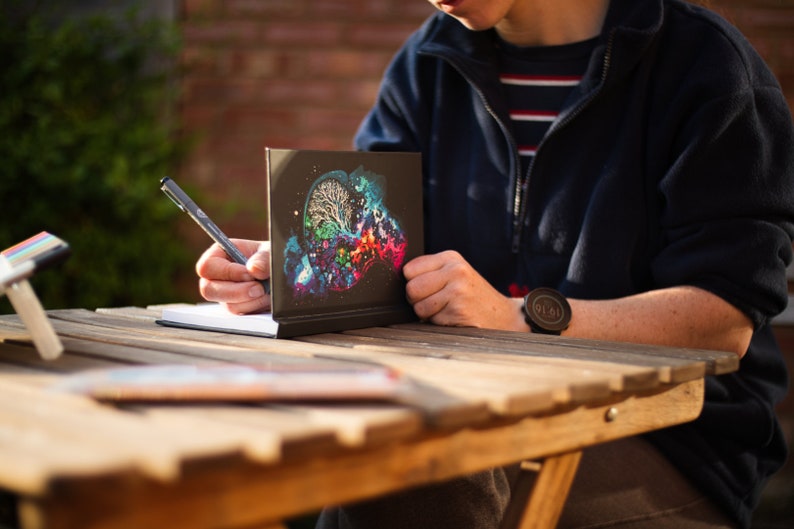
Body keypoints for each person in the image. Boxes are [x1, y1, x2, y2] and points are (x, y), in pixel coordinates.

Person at [195, 0, 794, 527]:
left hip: (668, 439)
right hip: (471, 407)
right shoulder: (426, 62)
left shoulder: (705, 66)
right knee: (393, 460)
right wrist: (300, 271)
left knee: (418, 469)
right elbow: (381, 251)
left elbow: (722, 320)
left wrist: (520, 317)